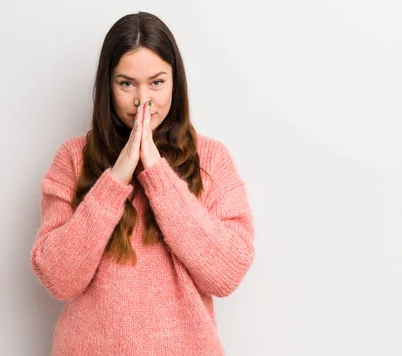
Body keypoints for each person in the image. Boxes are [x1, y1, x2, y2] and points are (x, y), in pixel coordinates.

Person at [30, 11, 255, 355]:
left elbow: (226, 274)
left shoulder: (211, 160)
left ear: (175, 82)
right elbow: (58, 279)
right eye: (126, 83)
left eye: (156, 82)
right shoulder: (73, 159)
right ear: (108, 85)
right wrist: (116, 179)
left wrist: (156, 171)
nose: (142, 100)